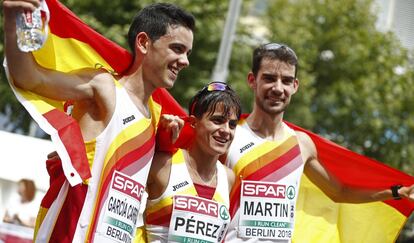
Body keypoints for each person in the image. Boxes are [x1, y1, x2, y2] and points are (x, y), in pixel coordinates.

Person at [3, 0, 195, 242]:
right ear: (144, 42)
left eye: (188, 53)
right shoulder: (105, 88)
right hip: (73, 233)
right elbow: (30, 78)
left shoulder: (158, 117)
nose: (185, 61)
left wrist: (165, 148)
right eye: (177, 49)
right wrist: (13, 23)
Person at [222, 43, 414, 242]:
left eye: (286, 81)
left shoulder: (301, 145)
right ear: (252, 80)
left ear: (295, 86)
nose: (278, 88)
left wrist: (395, 192)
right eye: (269, 78)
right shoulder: (228, 135)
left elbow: (340, 192)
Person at [144, 82, 242, 242]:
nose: (226, 131)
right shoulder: (163, 165)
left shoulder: (229, 177)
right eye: (217, 121)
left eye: (232, 125)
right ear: (193, 122)